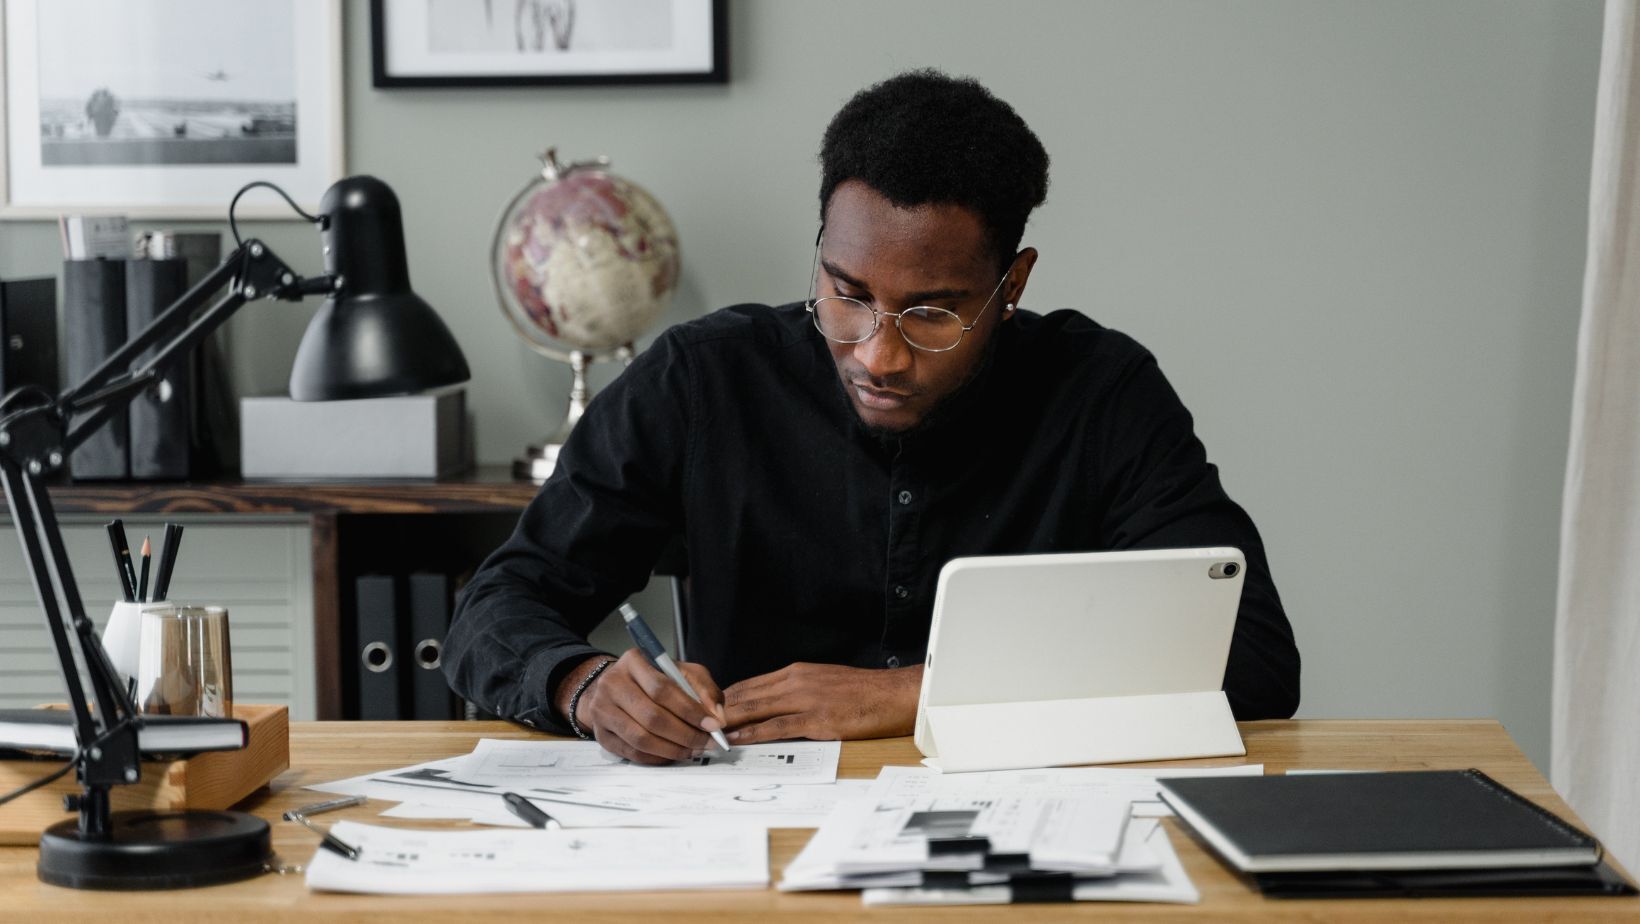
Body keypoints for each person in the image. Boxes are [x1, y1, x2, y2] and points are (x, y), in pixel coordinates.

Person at [444, 69, 1301, 765]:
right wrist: (584, 685)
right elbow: (497, 607)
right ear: (820, 249)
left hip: (1024, 831)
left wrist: (913, 693)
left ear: (1015, 286)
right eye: (847, 295)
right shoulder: (704, 380)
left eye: (933, 313)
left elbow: (1254, 657)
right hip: (752, 836)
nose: (877, 355)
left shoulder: (1100, 392)